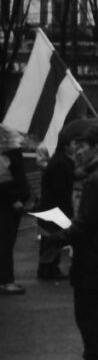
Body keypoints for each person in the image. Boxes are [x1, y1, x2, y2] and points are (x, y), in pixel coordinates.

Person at [47, 125, 98, 360]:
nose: (77, 151)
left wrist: (58, 238)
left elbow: (86, 222)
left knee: (89, 312)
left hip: (92, 254)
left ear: (96, 148)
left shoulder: (97, 178)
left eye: (82, 146)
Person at [36, 133, 75, 281]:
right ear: (66, 146)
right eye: (73, 144)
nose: (75, 147)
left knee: (51, 239)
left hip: (52, 208)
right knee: (52, 239)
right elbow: (60, 189)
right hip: (55, 209)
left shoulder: (59, 160)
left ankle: (49, 268)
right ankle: (47, 269)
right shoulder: (61, 162)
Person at [0, 126, 32, 295]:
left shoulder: (10, 153)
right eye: (18, 135)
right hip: (7, 206)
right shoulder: (6, 155)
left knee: (6, 242)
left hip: (10, 205)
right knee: (5, 242)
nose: (22, 138)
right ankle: (6, 281)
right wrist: (14, 199)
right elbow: (2, 178)